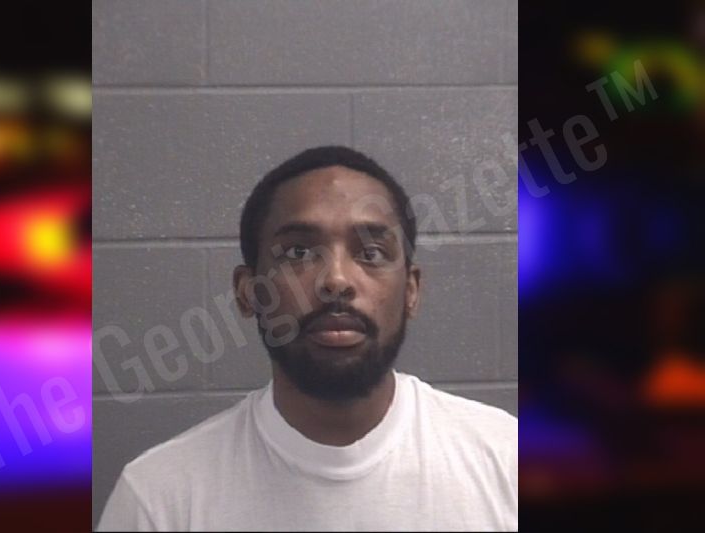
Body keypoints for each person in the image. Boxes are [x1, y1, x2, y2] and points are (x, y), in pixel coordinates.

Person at [97, 146, 517, 531]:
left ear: (410, 290)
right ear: (248, 292)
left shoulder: (509, 463)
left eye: (370, 253)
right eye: (298, 253)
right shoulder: (158, 499)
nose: (336, 280)